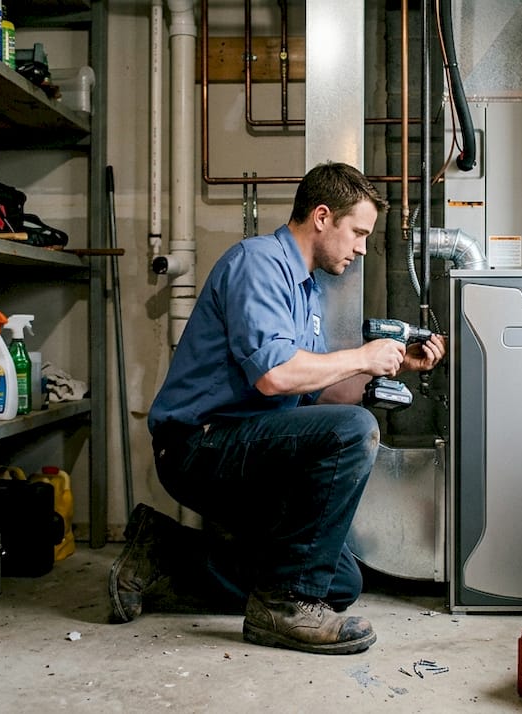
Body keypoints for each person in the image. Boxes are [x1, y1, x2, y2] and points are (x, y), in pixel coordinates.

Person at [109, 161, 446, 655]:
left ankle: (163, 553)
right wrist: (361, 355)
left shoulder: (306, 290)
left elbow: (318, 394)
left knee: (339, 583)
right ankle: (285, 607)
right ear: (323, 217)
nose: (361, 249)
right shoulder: (259, 264)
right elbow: (275, 376)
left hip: (250, 445)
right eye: (358, 233)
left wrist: (394, 367)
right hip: (197, 447)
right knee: (355, 430)